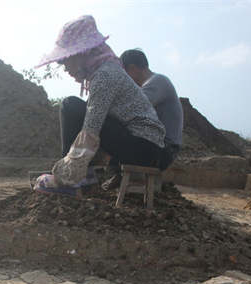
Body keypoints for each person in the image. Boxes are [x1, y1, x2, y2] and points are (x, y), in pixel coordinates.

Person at [33, 15, 166, 192]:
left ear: (83, 54)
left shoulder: (104, 76)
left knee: (71, 106)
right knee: (82, 109)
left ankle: (69, 180)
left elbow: (91, 129)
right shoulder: (107, 70)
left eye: (67, 60)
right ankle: (83, 175)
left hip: (143, 149)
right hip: (146, 148)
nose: (66, 68)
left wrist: (67, 172)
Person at [119, 49, 183, 170]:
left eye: (124, 75)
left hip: (165, 149)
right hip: (161, 145)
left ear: (132, 69)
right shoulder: (155, 83)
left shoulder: (157, 82)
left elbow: (130, 109)